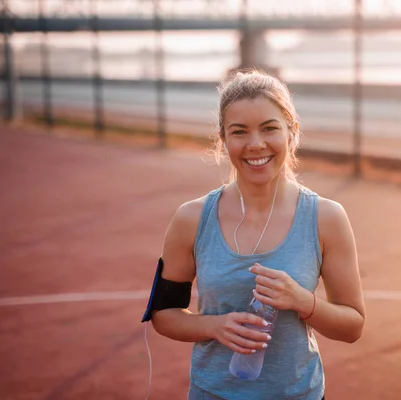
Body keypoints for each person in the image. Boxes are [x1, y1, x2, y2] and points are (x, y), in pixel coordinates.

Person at [144, 70, 365, 400]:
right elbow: (164, 316)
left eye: (270, 128)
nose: (256, 144)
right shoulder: (191, 218)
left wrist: (304, 302)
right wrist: (214, 326)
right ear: (223, 139)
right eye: (239, 132)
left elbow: (352, 326)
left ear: (292, 131)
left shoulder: (325, 218)